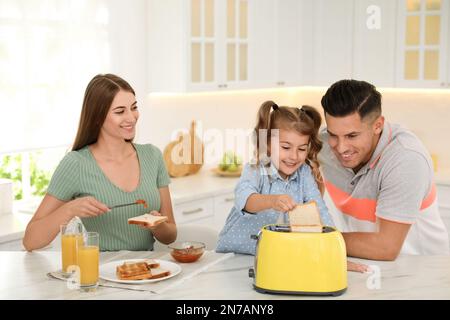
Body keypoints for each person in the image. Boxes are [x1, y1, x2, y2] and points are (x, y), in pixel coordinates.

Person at [23, 74, 177, 251]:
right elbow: (30, 241)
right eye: (120, 111)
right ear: (97, 117)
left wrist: (158, 226)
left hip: (146, 273)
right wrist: (70, 209)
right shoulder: (76, 164)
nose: (132, 117)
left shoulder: (152, 156)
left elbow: (171, 236)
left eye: (133, 108)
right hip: (101, 274)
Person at [216, 101, 368, 272]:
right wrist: (271, 201)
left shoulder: (305, 174)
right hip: (234, 257)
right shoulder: (257, 168)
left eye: (302, 149)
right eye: (286, 147)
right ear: (267, 142)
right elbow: (244, 200)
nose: (294, 156)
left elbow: (320, 212)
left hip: (275, 257)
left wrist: (336, 256)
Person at [319, 79, 449, 260]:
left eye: (352, 136)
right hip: (371, 267)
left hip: (424, 271)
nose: (341, 148)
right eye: (333, 135)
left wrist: (316, 240)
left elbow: (385, 248)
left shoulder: (405, 159)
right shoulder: (323, 145)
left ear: (377, 125)